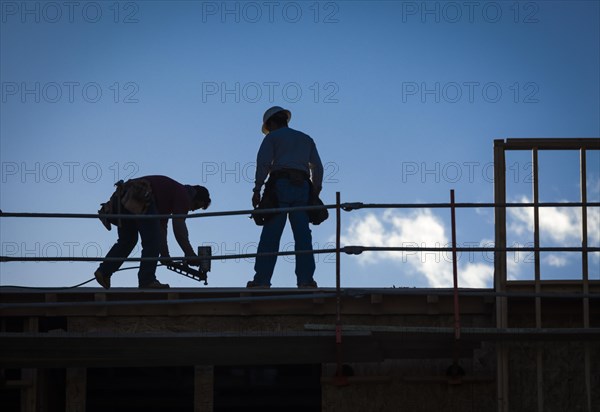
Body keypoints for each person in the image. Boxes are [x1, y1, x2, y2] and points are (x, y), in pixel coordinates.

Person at [248, 106, 324, 288]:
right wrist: (315, 191)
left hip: (279, 186)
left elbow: (263, 164)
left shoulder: (272, 137)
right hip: (303, 187)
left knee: (271, 235)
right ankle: (306, 281)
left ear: (272, 123)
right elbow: (318, 168)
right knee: (303, 236)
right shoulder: (306, 139)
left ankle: (261, 281)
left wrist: (257, 189)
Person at [95, 175, 211, 289]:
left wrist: (165, 255)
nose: (191, 209)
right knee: (151, 241)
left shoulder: (167, 199)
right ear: (194, 196)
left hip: (124, 197)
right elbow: (179, 228)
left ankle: (104, 271)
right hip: (140, 195)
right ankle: (147, 280)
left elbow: (161, 230)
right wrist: (189, 254)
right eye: (195, 205)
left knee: (128, 240)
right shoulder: (184, 195)